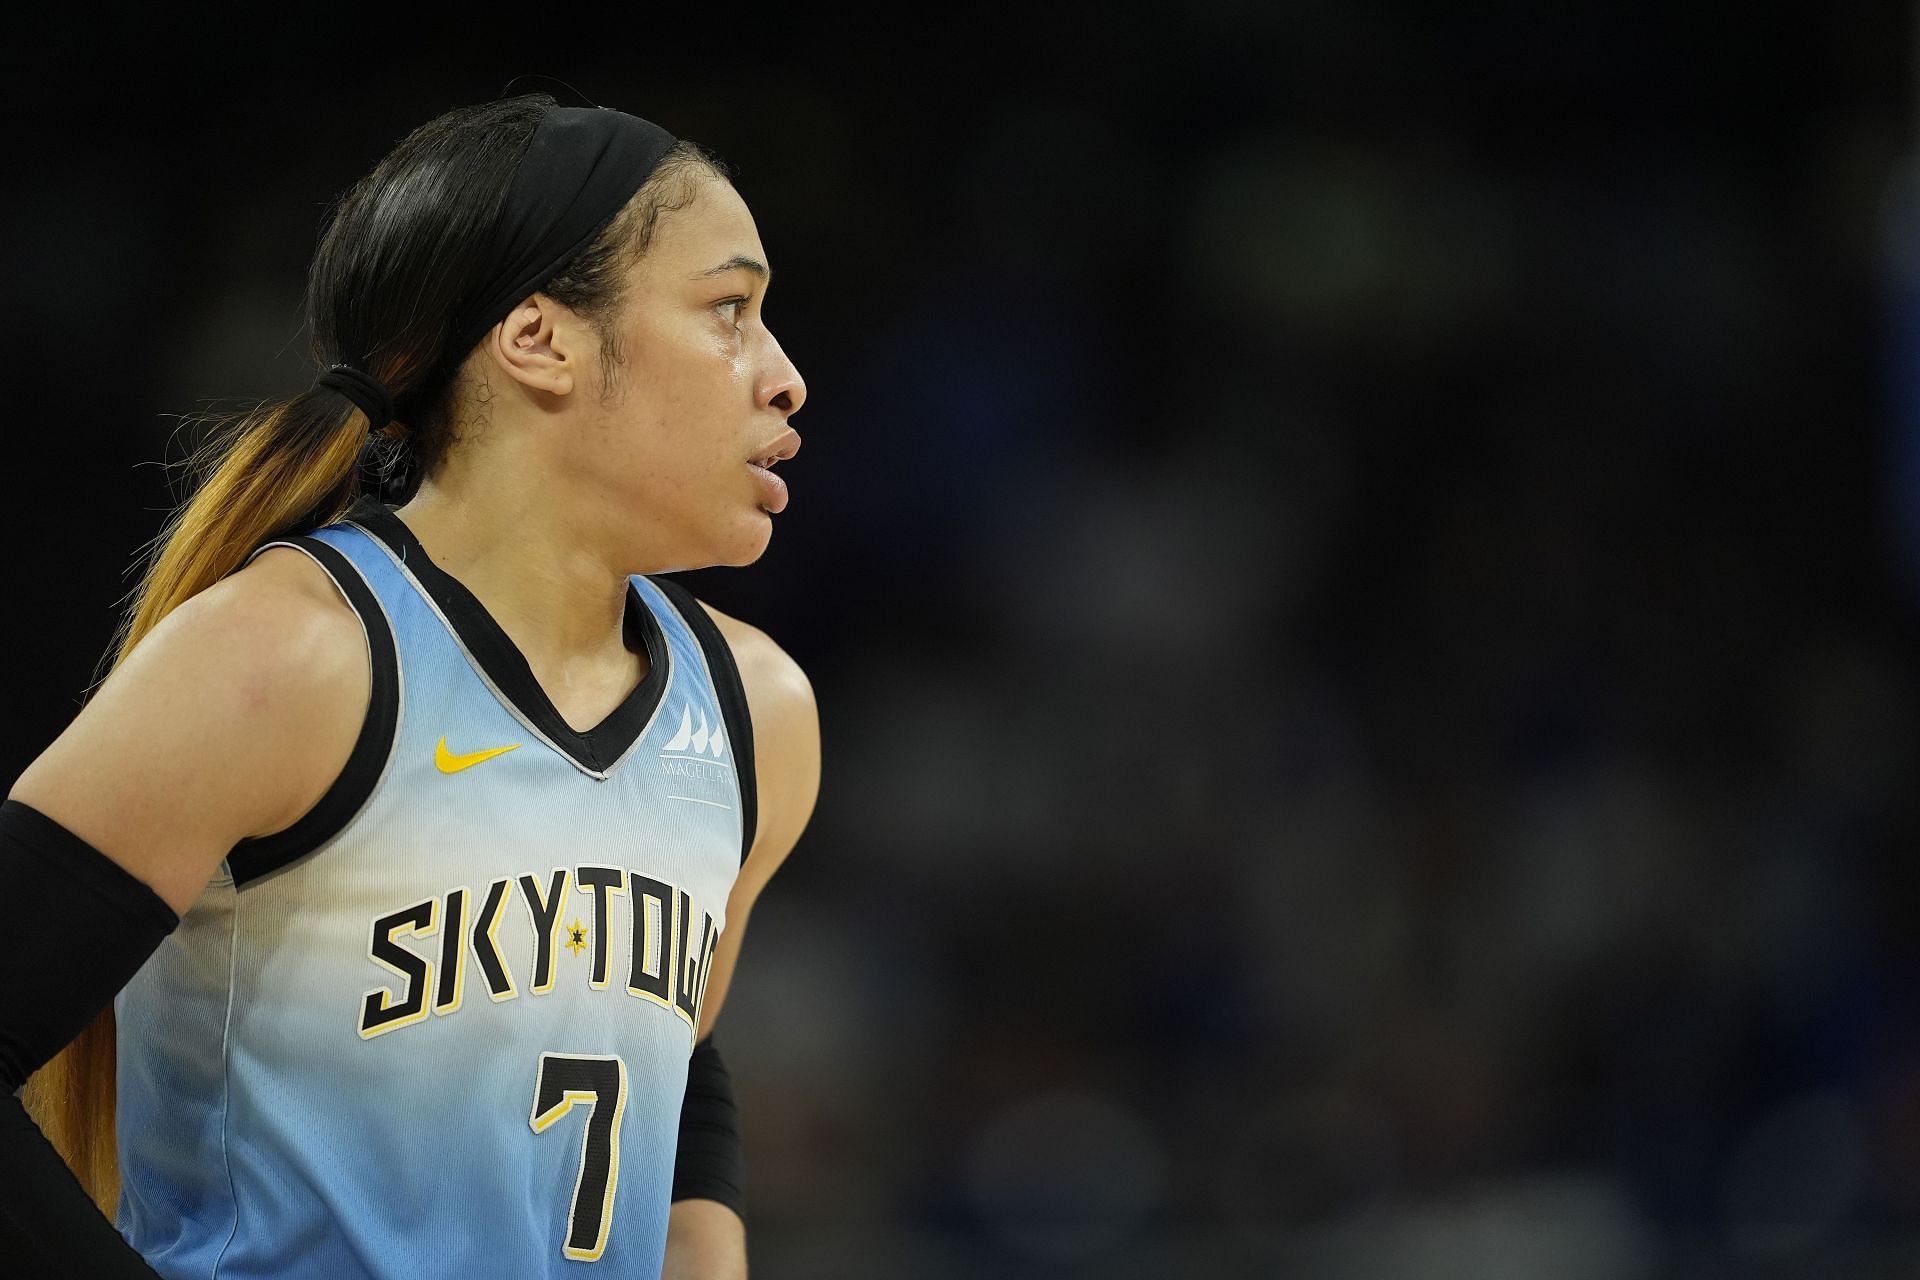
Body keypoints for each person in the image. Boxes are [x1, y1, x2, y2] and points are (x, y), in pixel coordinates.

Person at [0, 93, 818, 1279]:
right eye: (728, 311)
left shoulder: (756, 711)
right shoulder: (290, 657)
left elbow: (668, 1062)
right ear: (539, 338)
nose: (783, 376)